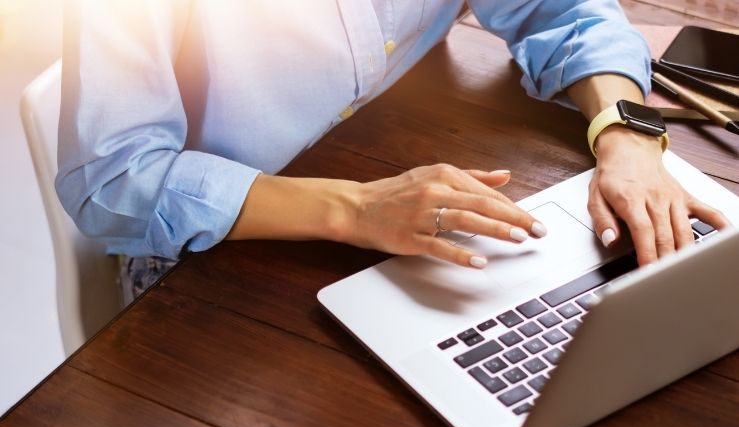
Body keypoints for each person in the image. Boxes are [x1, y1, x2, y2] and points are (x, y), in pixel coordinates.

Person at [58, 0, 728, 301]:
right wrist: (355, 208)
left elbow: (560, 11)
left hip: (399, 173)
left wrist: (629, 138)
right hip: (213, 258)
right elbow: (113, 181)